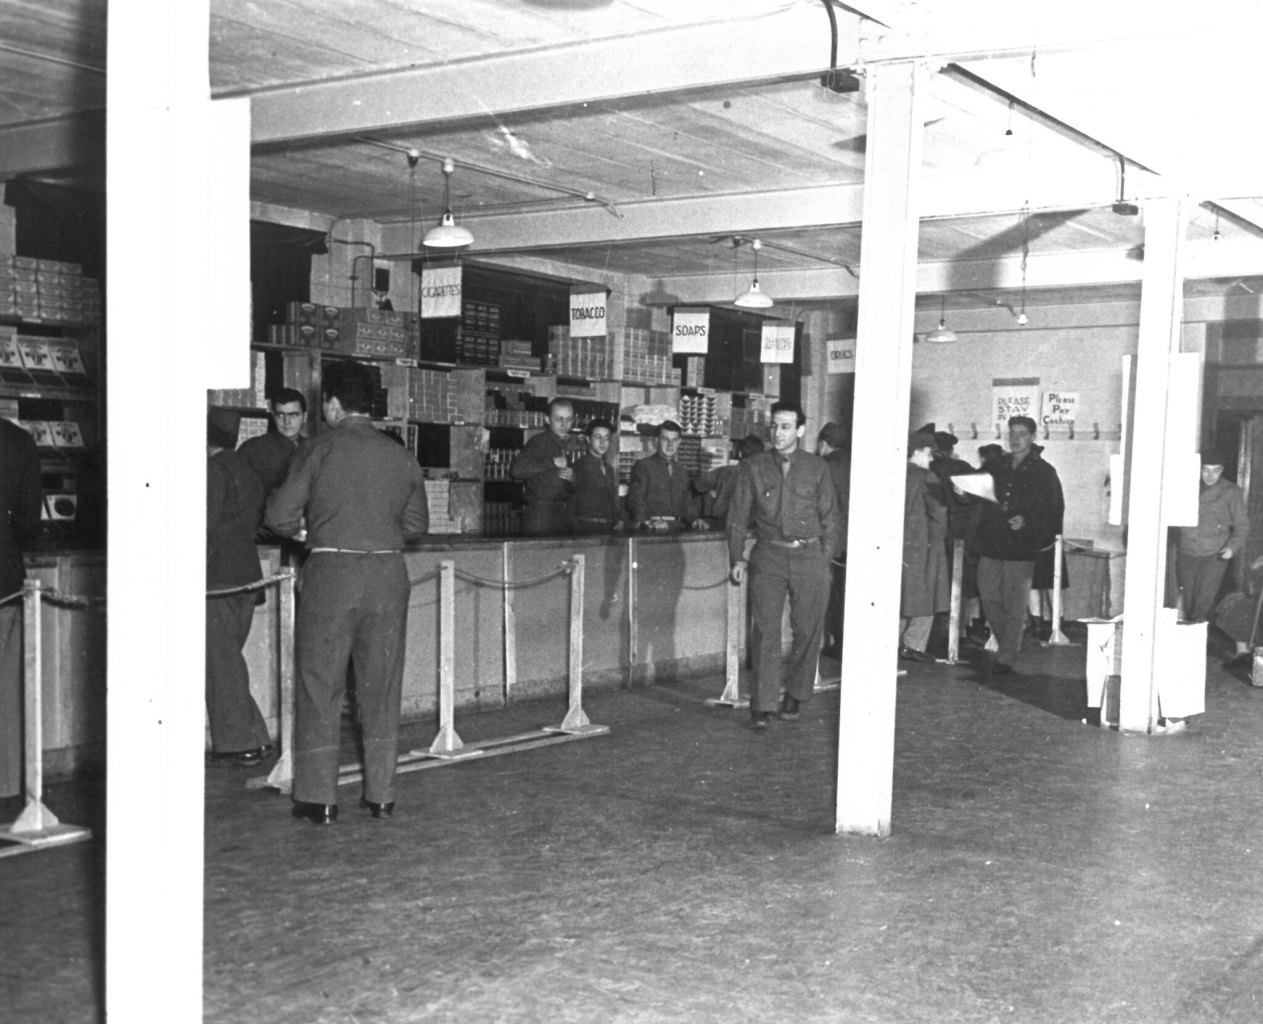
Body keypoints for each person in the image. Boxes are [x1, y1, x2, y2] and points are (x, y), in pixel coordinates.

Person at [266, 360, 429, 825]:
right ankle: (381, 795)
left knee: (321, 686)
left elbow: (279, 515)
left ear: (333, 405)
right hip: (387, 575)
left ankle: (319, 799)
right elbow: (417, 525)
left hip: (331, 572)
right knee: (381, 689)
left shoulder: (318, 449)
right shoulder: (400, 455)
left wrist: (307, 529)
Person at [727, 401, 842, 729]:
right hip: (769, 555)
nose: (778, 433)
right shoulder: (754, 466)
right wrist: (736, 557)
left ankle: (796, 692)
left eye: (786, 426)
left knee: (807, 629)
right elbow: (737, 518)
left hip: (810, 556)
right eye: (775, 426)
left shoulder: (817, 468)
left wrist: (826, 560)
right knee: (764, 630)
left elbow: (831, 518)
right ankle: (763, 705)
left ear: (801, 431)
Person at [970, 415, 1064, 675]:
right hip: (991, 542)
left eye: (1022, 433)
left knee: (1014, 602)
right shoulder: (996, 465)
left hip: (1021, 547)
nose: (1016, 438)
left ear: (1033, 437)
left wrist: (1028, 520)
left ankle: (1007, 655)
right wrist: (961, 490)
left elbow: (1054, 509)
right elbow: (974, 486)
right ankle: (1010, 641)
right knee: (988, 597)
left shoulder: (1044, 472)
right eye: (1012, 433)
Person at [205, 407, 273, 765]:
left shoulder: (214, 471)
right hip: (246, 575)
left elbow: (204, 525)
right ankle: (256, 736)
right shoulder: (246, 468)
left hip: (218, 578)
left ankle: (238, 743)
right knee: (228, 660)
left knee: (220, 663)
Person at [1, 418, 42, 798]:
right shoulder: (17, 441)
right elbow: (31, 519)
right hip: (5, 576)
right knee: (7, 687)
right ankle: (7, 784)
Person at [1177, 447, 1249, 624]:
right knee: (1186, 600)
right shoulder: (1186, 488)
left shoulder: (1231, 492)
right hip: (1186, 552)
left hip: (1214, 556)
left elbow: (1242, 525)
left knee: (1203, 603)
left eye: (1215, 471)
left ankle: (1196, 644)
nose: (1210, 475)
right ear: (1199, 468)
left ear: (1222, 470)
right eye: (1206, 470)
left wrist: (1232, 548)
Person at [900, 431, 950, 662]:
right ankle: (913, 645)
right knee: (926, 595)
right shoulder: (927, 477)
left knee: (900, 595)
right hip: (924, 545)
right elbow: (938, 512)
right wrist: (940, 537)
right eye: (928, 453)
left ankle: (895, 642)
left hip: (899, 545)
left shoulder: (896, 474)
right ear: (918, 452)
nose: (931, 459)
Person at [510, 398, 575, 536]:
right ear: (547, 419)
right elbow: (517, 470)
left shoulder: (563, 443)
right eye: (559, 419)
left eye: (568, 419)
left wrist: (571, 478)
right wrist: (552, 462)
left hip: (558, 514)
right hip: (539, 517)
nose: (564, 424)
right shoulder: (539, 441)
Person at [627, 420, 706, 531]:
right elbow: (636, 499)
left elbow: (686, 501)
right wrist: (647, 521)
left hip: (678, 528)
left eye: (674, 440)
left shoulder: (681, 470)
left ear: (679, 442)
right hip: (654, 529)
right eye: (665, 439)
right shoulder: (643, 466)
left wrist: (694, 519)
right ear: (656, 440)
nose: (670, 444)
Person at [816, 421, 851, 660]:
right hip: (853, 541)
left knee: (832, 595)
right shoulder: (855, 463)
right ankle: (845, 642)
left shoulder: (823, 467)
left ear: (823, 443)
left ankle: (836, 643)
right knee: (847, 593)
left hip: (830, 542)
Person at [238, 387, 308, 496]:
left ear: (305, 417)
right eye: (280, 415)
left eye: (293, 415)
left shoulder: (312, 448)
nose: (287, 422)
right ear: (273, 416)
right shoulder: (253, 450)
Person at [694, 434, 764, 527]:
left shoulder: (726, 472)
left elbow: (698, 484)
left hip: (724, 522)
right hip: (752, 524)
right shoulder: (765, 478)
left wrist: (714, 490)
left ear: (739, 453)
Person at [568, 418, 621, 534]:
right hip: (585, 528)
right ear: (588, 439)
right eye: (598, 437)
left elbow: (611, 499)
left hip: (607, 528)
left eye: (606, 438)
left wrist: (616, 520)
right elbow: (570, 504)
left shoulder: (608, 469)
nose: (603, 442)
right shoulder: (579, 466)